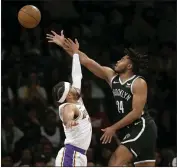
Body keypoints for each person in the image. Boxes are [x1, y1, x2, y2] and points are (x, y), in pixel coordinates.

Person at [46, 30, 157, 167]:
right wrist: (64, 44)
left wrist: (113, 128)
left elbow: (136, 112)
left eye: (122, 59)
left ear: (129, 66)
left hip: (142, 126)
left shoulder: (138, 82)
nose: (118, 60)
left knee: (114, 162)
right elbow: (86, 61)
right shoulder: (111, 77)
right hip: (131, 130)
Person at [52, 49, 92, 166]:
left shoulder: (77, 99)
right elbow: (67, 114)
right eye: (71, 87)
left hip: (78, 155)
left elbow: (77, 76)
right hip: (71, 154)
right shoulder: (68, 106)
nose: (75, 86)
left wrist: (75, 54)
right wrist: (69, 121)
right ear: (69, 95)